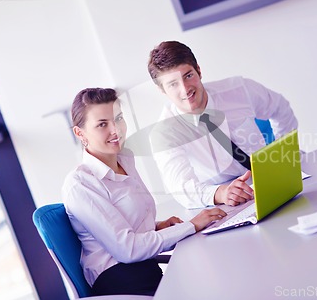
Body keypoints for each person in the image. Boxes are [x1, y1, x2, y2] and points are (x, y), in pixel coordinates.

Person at [62, 88, 226, 296]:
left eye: (118, 118)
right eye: (102, 124)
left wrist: (158, 227)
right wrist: (191, 225)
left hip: (144, 268)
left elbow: (124, 226)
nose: (116, 130)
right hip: (120, 282)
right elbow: (127, 248)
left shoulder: (125, 159)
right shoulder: (80, 184)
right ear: (80, 133)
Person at [148, 41, 298, 209]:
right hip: (225, 204)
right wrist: (220, 193)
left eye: (188, 76)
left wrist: (284, 155)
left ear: (199, 70)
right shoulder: (164, 133)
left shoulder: (239, 89)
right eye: (173, 84)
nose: (185, 89)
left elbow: (281, 108)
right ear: (162, 90)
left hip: (274, 183)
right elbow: (181, 189)